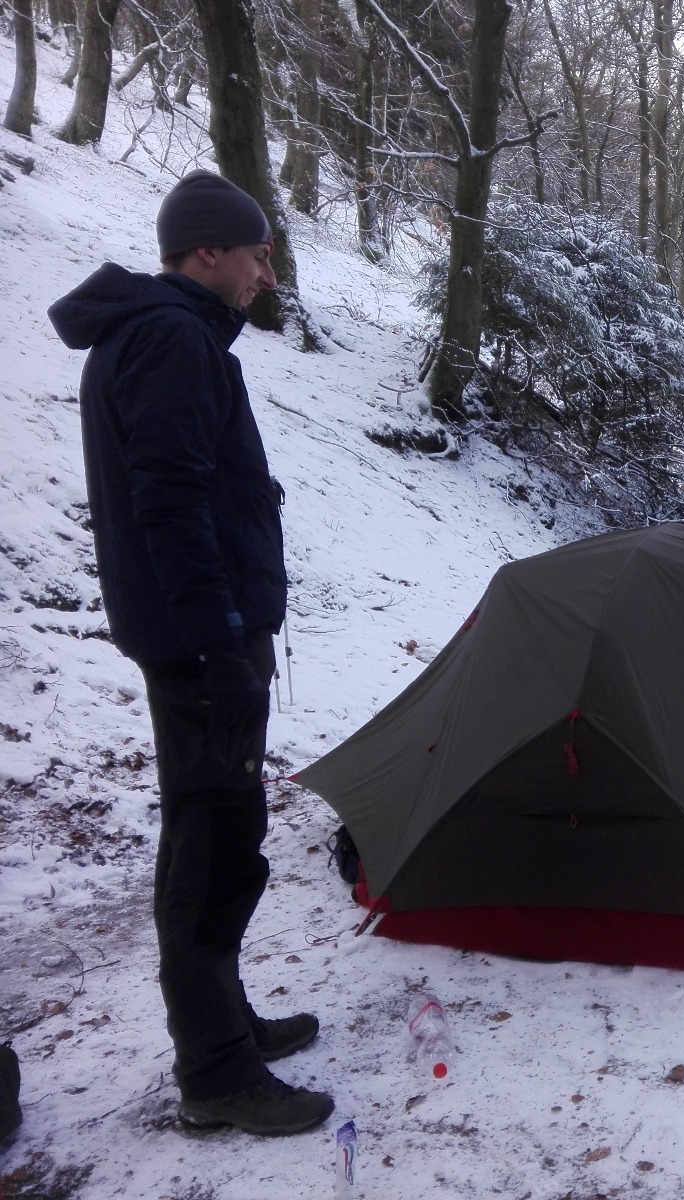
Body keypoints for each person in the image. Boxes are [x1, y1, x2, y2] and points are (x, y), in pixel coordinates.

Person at [48, 171, 334, 1136]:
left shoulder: (164, 333)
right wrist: (220, 646)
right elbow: (170, 506)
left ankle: (228, 1024)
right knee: (210, 849)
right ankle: (215, 1074)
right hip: (200, 647)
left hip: (199, 639)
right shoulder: (170, 337)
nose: (264, 274)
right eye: (255, 254)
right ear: (206, 252)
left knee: (221, 836)